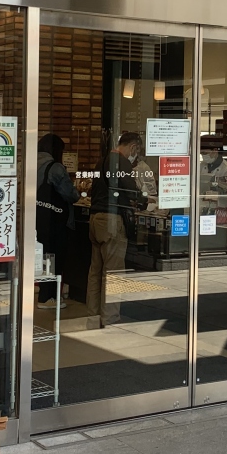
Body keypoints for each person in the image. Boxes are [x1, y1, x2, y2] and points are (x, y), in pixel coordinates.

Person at [86, 131, 144, 326]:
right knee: (113, 272)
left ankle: (93, 314)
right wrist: (144, 199)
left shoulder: (101, 161)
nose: (135, 156)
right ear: (133, 147)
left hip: (95, 219)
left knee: (96, 271)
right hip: (111, 221)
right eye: (136, 151)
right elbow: (130, 190)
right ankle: (110, 317)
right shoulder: (121, 162)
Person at [36, 133, 78, 305]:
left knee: (43, 256)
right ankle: (49, 297)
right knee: (55, 258)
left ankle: (43, 293)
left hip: (37, 218)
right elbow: (72, 195)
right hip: (54, 220)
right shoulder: (56, 168)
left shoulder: (29, 163)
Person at [199, 135, 227, 215]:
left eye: (205, 153)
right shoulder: (201, 165)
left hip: (219, 209)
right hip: (202, 205)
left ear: (215, 150)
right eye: (201, 153)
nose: (203, 156)